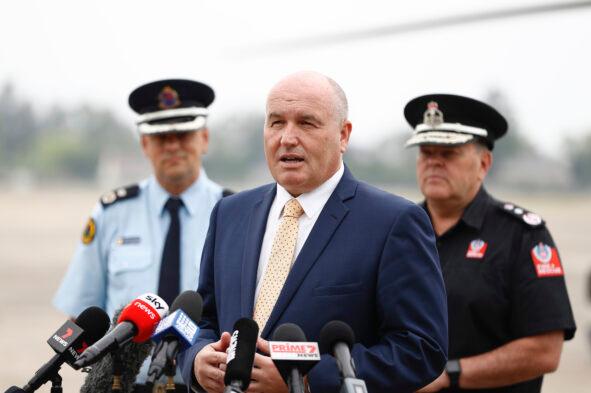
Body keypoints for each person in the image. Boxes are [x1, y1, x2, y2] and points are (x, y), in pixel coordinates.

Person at [178, 71, 449, 393]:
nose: (287, 138)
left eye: (306, 123)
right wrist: (196, 360)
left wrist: (304, 380)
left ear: (343, 135)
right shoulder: (230, 213)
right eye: (276, 123)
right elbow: (204, 319)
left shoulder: (394, 222)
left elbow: (420, 350)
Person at [53, 79, 231, 392]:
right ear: (144, 144)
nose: (172, 145)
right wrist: (95, 376)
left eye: (183, 133)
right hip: (124, 383)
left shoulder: (235, 213)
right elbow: (84, 310)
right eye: (160, 135)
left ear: (204, 138)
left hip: (205, 385)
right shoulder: (111, 213)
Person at [404, 94, 576, 392]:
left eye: (448, 153)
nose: (434, 162)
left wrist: (449, 374)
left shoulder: (522, 236)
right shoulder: (399, 231)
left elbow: (545, 351)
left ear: (484, 163)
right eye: (426, 152)